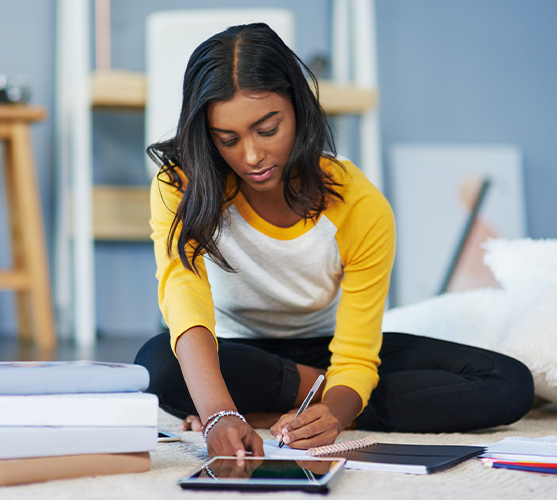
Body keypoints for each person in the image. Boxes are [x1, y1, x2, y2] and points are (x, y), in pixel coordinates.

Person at [134, 23, 534, 460]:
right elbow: (183, 294)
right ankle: (296, 397)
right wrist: (218, 413)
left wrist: (337, 412)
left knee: (508, 383)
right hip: (234, 353)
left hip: (327, 343)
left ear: (299, 107)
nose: (250, 156)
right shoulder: (181, 184)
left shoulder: (360, 205)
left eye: (267, 129)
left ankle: (283, 408)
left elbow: (358, 352)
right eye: (227, 140)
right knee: (159, 364)